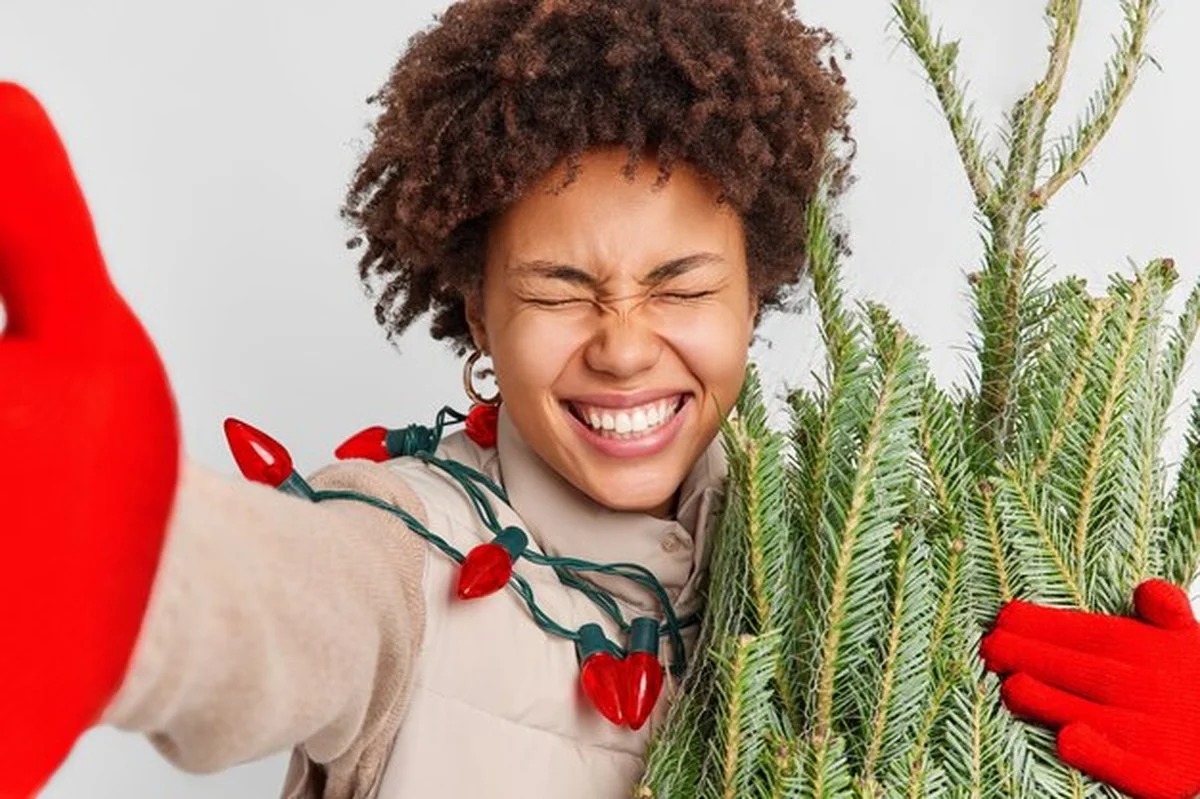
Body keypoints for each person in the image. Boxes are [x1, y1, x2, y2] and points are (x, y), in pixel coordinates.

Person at [0, 2, 1196, 799]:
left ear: (758, 290)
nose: (626, 348)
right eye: (562, 289)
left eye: (680, 285)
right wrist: (140, 579)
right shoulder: (407, 546)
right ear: (475, 308)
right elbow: (291, 600)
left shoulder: (867, 560)